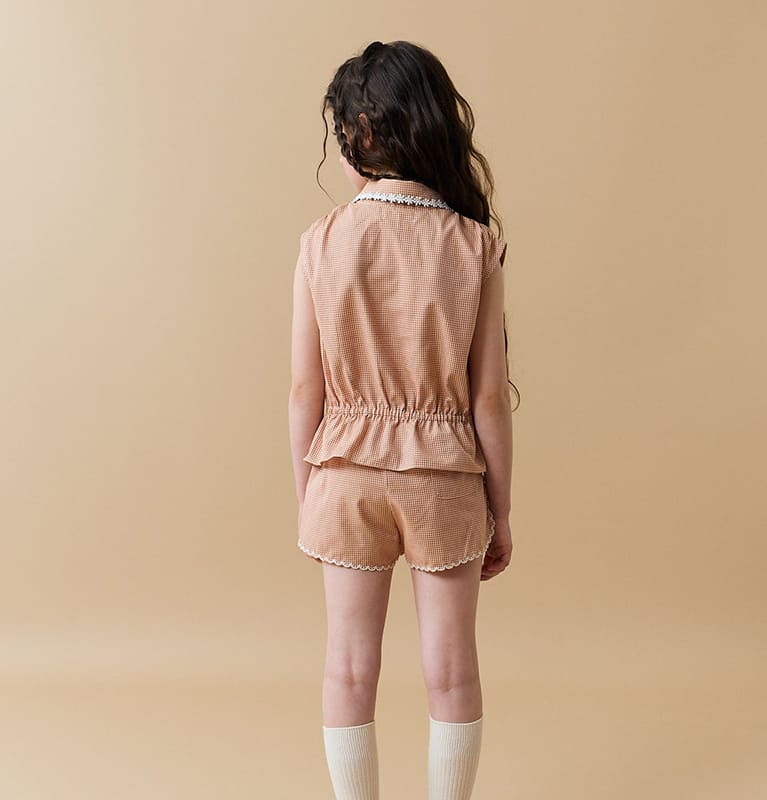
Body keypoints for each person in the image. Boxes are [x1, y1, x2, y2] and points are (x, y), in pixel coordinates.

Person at [288, 39, 516, 800]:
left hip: (342, 473)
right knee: (451, 671)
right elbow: (488, 398)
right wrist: (501, 510)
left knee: (349, 668)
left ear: (358, 134)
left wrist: (310, 494)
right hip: (445, 478)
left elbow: (304, 390)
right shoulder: (474, 243)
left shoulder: (321, 241)